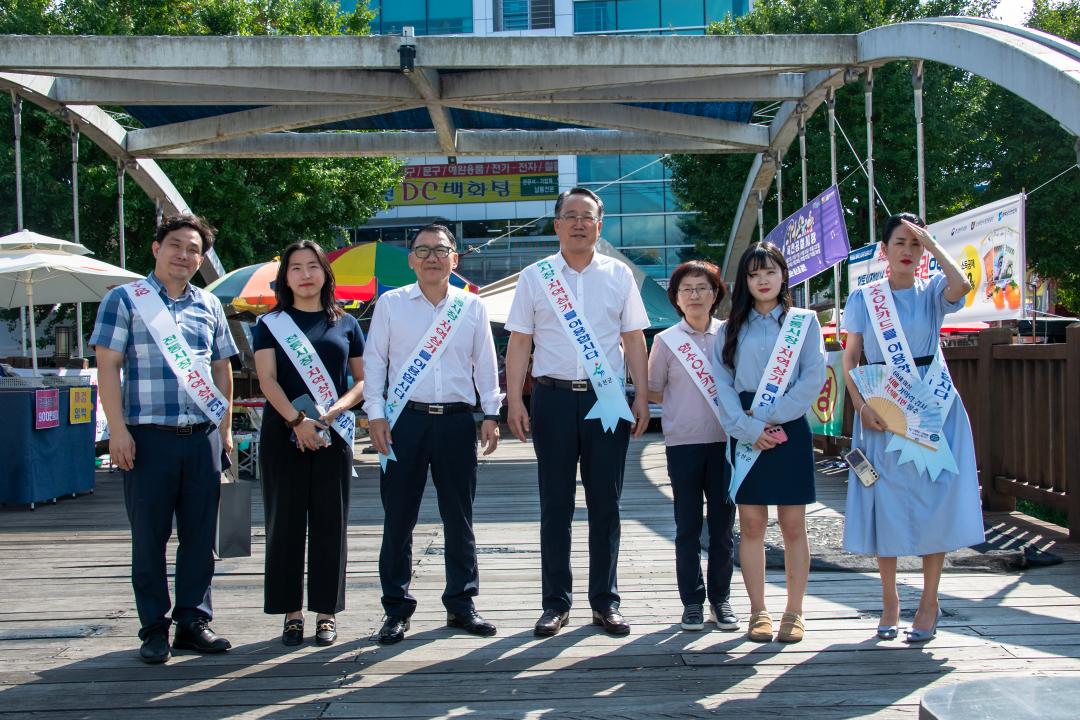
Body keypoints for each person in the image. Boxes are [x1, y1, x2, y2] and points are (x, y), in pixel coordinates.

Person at [504, 187, 651, 638]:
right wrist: (514, 400)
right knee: (556, 505)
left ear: (599, 225)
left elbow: (633, 340)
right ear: (556, 225)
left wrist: (641, 396)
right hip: (551, 398)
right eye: (570, 216)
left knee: (606, 504)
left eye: (587, 217)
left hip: (605, 400)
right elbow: (520, 342)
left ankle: (605, 602)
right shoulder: (535, 276)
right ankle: (555, 603)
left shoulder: (619, 275)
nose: (579, 224)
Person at [91, 214, 237, 664]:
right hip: (147, 438)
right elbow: (108, 366)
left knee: (200, 536)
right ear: (156, 248)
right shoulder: (126, 300)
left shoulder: (208, 305)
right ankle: (154, 627)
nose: (185, 255)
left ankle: (193, 621)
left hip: (201, 438)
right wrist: (117, 431)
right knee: (149, 537)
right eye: (176, 245)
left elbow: (221, 367)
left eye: (194, 249)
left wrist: (226, 428)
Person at [841, 213, 983, 643]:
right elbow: (851, 358)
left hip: (933, 407)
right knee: (884, 499)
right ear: (884, 249)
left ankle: (929, 601)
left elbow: (963, 286)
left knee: (934, 500)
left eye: (916, 244)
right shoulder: (866, 298)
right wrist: (860, 405)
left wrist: (937, 246)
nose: (908, 251)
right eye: (900, 242)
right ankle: (889, 600)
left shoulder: (932, 292)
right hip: (883, 409)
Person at [363, 224, 503, 645]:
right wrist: (375, 415)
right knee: (398, 518)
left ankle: (462, 604)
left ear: (454, 259)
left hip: (458, 421)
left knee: (459, 517)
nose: (431, 257)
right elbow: (375, 364)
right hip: (404, 421)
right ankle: (396, 609)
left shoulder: (471, 306)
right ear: (411, 260)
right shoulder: (390, 304)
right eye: (421, 250)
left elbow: (485, 362)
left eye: (440, 250)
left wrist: (491, 413)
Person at [252, 240, 365, 647]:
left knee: (331, 524)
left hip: (333, 434)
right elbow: (267, 380)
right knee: (284, 524)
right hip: (285, 434)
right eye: (296, 267)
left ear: (325, 273)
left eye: (313, 266)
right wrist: (298, 421)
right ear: (285, 277)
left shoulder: (346, 323)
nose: (305, 274)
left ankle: (326, 613)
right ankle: (291, 613)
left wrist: (334, 412)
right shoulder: (271, 323)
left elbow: (363, 380)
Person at [712, 242, 825, 644]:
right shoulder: (727, 329)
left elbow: (814, 376)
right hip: (745, 430)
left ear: (783, 276)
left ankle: (794, 612)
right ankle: (758, 612)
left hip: (788, 427)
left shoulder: (803, 322)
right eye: (754, 274)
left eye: (770, 272)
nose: (763, 280)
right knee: (752, 524)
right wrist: (747, 429)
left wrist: (773, 418)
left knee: (794, 524)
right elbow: (722, 386)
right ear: (744, 281)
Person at [647, 260, 739, 633]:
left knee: (722, 528)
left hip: (727, 445)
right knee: (686, 527)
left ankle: (721, 599)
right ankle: (691, 603)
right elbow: (652, 388)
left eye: (702, 287)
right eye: (687, 289)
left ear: (716, 294)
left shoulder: (733, 334)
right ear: (676, 298)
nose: (695, 295)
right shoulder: (666, 341)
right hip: (683, 444)